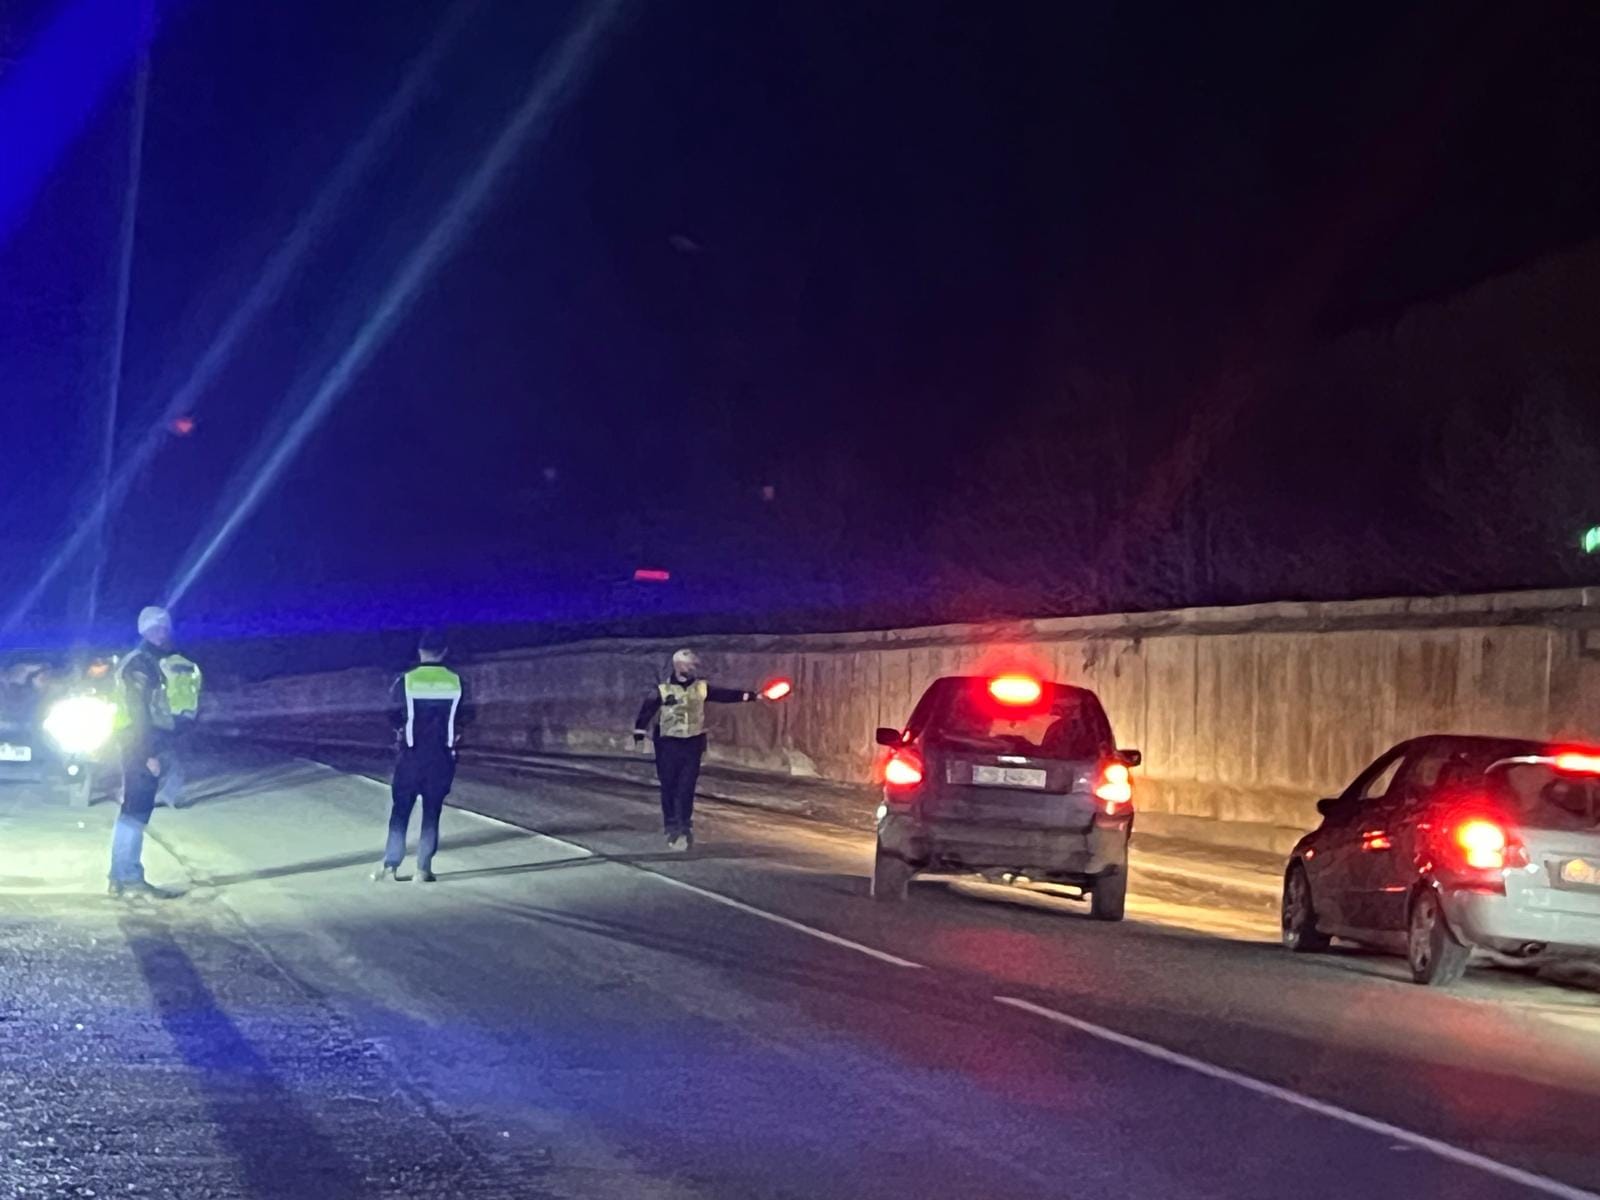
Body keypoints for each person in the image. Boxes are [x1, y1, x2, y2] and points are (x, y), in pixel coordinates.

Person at [632, 648, 765, 849]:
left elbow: (724, 695)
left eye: (694, 664)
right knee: (669, 786)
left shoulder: (700, 688)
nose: (692, 668)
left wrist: (753, 696)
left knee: (686, 787)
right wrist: (639, 736)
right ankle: (671, 826)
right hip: (668, 743)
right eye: (689, 664)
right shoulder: (662, 689)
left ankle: (684, 827)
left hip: (692, 744)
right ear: (678, 665)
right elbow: (646, 712)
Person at [373, 629, 470, 884]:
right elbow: (467, 716)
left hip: (410, 756)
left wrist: (402, 730)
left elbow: (391, 714)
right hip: (441, 758)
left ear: (420, 652)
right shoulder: (457, 682)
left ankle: (391, 866)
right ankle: (423, 869)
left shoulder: (406, 681)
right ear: (444, 652)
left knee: (400, 811)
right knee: (432, 812)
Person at [108, 606, 179, 899]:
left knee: (133, 809)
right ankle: (129, 878)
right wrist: (147, 753)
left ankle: (119, 876)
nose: (162, 633)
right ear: (145, 631)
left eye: (164, 627)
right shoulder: (141, 663)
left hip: (132, 741)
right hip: (137, 743)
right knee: (136, 811)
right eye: (156, 628)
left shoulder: (142, 660)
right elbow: (139, 711)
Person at [153, 644, 203, 809]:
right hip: (189, 715)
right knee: (178, 754)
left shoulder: (164, 664)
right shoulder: (194, 668)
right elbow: (197, 690)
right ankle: (170, 793)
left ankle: (158, 792)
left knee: (159, 752)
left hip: (169, 715)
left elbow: (157, 690)